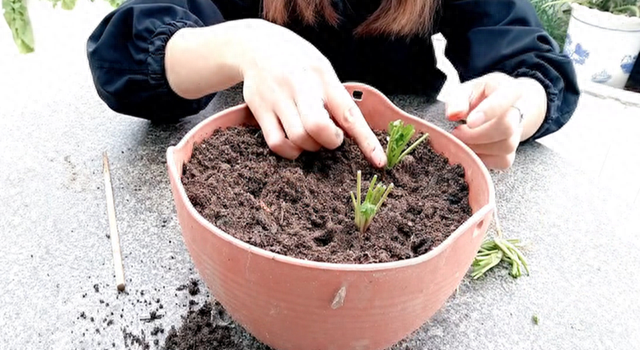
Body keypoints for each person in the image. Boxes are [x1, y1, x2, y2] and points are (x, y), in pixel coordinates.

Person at [86, 0, 580, 170]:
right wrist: (244, 44)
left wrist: (518, 106)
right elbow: (122, 57)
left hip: (397, 153)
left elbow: (530, 63)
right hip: (261, 146)